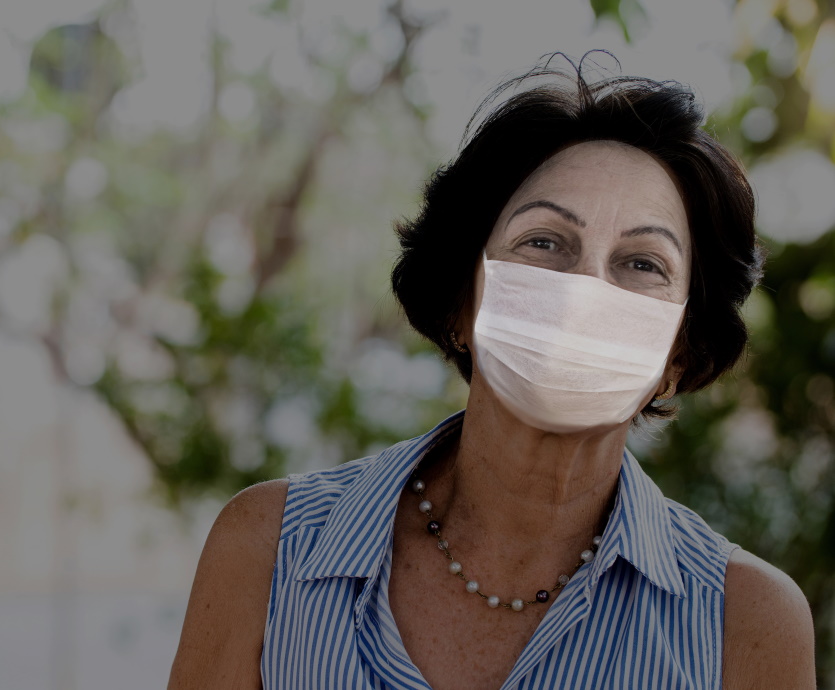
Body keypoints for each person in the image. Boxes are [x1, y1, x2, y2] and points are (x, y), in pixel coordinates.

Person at [168, 57, 816, 689]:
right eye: (544, 242)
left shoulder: (747, 621)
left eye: (642, 264)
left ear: (676, 358)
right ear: (461, 303)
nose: (585, 293)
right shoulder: (268, 548)